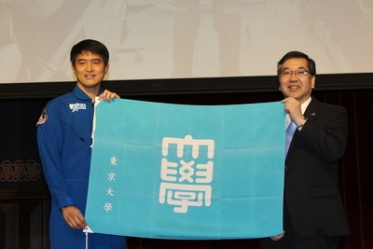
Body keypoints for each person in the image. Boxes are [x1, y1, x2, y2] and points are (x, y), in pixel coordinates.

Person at [36, 39, 126, 249]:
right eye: (82, 62)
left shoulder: (116, 107)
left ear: (106, 68)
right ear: (74, 68)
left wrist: (119, 113)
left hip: (109, 202)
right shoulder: (57, 108)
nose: (89, 68)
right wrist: (65, 203)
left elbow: (130, 156)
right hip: (71, 204)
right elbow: (50, 162)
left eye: (96, 62)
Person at [260, 51, 349, 249]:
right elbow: (257, 171)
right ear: (279, 81)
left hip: (317, 223)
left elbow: (334, 150)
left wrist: (300, 120)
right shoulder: (265, 119)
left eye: (301, 72)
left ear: (313, 80)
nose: (293, 78)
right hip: (276, 227)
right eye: (286, 73)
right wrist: (267, 219)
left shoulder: (333, 113)